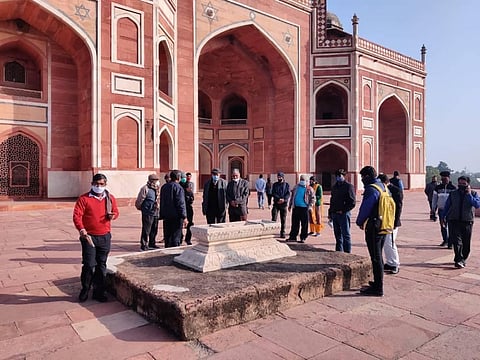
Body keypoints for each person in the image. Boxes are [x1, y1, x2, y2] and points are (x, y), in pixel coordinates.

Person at [73, 173, 119, 303]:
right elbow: (77, 216)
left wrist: (113, 216)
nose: (98, 186)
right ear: (92, 184)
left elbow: (116, 211)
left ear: (105, 184)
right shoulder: (84, 199)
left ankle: (99, 291)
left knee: (101, 264)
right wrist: (82, 229)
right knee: (88, 264)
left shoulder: (109, 198)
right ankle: (85, 289)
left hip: (104, 236)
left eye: (101, 184)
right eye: (96, 184)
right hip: (89, 237)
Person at [356, 166, 386, 297]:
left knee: (376, 257)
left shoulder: (371, 189)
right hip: (383, 224)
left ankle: (378, 288)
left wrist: (359, 221)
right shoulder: (382, 186)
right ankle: (377, 282)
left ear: (367, 176)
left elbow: (366, 207)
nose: (362, 180)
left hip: (374, 226)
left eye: (362, 177)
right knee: (378, 255)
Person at [442, 176, 480, 268]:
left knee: (466, 243)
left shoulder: (474, 194)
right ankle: (459, 259)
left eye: (464, 184)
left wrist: (469, 194)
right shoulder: (453, 194)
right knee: (457, 241)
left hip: (467, 221)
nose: (461, 185)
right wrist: (443, 217)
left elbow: (476, 204)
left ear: (468, 184)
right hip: (454, 220)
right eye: (460, 183)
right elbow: (447, 206)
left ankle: (463, 258)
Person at [378, 173, 403, 274]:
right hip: (385, 221)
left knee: (390, 242)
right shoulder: (384, 190)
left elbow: (399, 207)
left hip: (392, 222)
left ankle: (395, 264)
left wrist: (395, 221)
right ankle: (389, 262)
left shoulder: (395, 190)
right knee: (386, 243)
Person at [328, 169, 356, 253]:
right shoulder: (334, 187)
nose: (339, 177)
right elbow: (332, 200)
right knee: (337, 235)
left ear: (344, 176)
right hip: (335, 213)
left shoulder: (348, 186)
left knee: (346, 235)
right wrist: (330, 213)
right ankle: (339, 252)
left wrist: (344, 210)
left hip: (343, 214)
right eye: (337, 175)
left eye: (340, 175)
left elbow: (352, 202)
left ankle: (347, 253)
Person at [160, 170, 187, 248]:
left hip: (166, 216)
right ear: (178, 177)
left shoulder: (164, 187)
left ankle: (167, 251)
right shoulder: (178, 187)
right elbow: (180, 203)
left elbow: (162, 202)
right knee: (176, 237)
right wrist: (184, 216)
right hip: (176, 217)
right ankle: (174, 253)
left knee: (167, 236)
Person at [135, 173, 161, 251]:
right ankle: (144, 244)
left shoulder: (157, 188)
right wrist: (141, 207)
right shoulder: (145, 188)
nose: (156, 182)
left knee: (154, 228)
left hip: (155, 211)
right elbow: (140, 199)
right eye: (155, 180)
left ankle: (152, 243)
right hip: (147, 211)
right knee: (146, 229)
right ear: (151, 180)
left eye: (157, 180)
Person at [432, 171, 456, 248]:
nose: (444, 180)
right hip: (441, 209)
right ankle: (445, 240)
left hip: (451, 210)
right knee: (443, 226)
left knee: (451, 226)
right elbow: (434, 199)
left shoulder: (453, 188)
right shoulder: (438, 188)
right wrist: (433, 209)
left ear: (449, 178)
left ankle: (451, 242)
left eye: (445, 179)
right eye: (442, 179)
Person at [287, 175, 315, 243]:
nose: (302, 181)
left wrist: (310, 206)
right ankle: (293, 237)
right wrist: (290, 205)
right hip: (296, 207)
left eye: (303, 180)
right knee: (294, 223)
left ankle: (303, 237)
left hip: (304, 208)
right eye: (301, 180)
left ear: (306, 181)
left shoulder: (309, 188)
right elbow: (292, 196)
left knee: (304, 224)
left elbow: (313, 198)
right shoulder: (296, 187)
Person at [271, 172, 290, 238]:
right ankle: (272, 232)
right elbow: (273, 193)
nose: (279, 178)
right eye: (278, 177)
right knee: (274, 218)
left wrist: (284, 199)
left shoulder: (286, 185)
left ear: (283, 177)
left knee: (283, 219)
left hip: (283, 205)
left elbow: (288, 193)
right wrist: (279, 199)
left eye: (280, 177)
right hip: (276, 204)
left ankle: (282, 232)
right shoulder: (275, 185)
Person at [180, 172, 195, 245]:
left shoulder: (188, 186)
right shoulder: (178, 187)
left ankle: (188, 239)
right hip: (180, 208)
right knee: (180, 224)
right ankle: (180, 238)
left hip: (188, 208)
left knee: (190, 223)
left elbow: (192, 197)